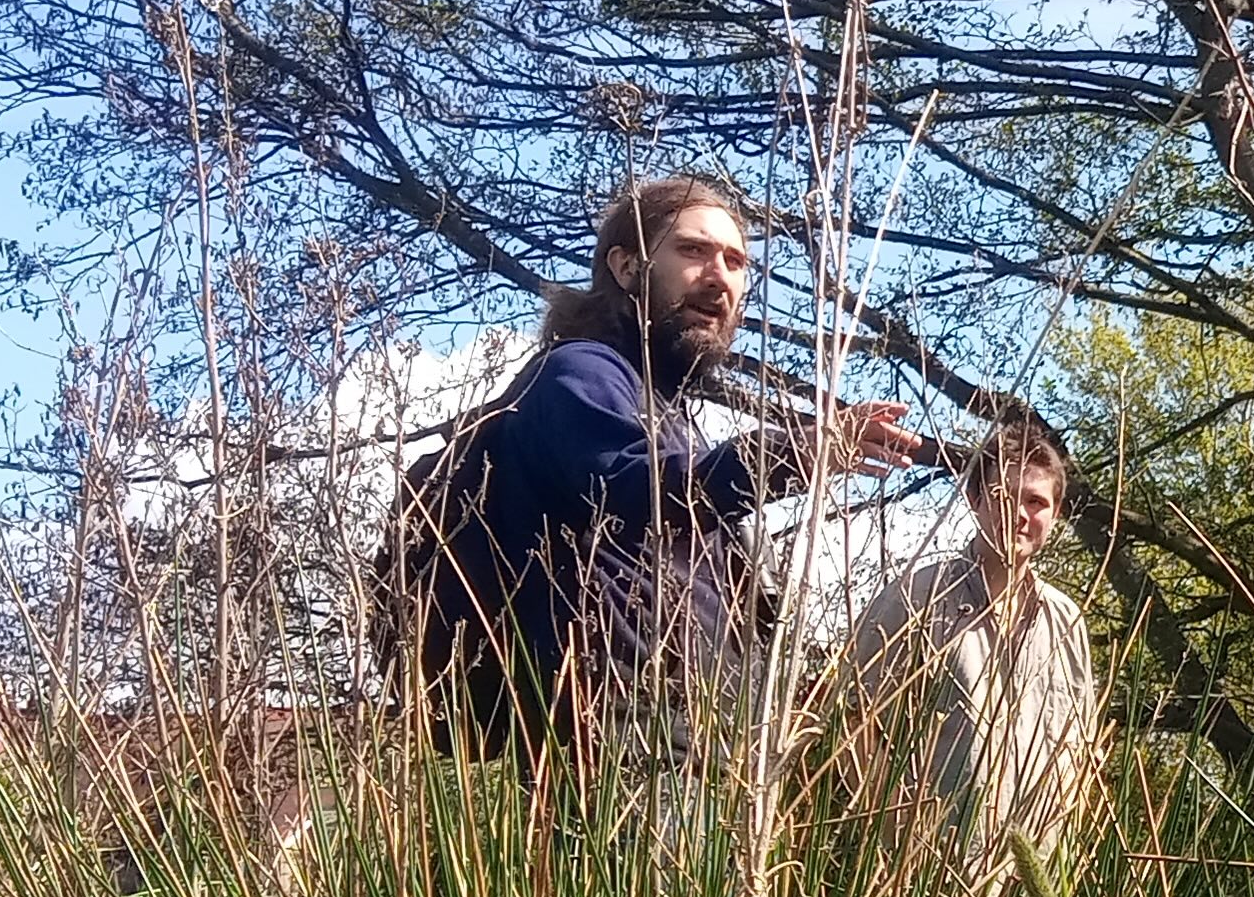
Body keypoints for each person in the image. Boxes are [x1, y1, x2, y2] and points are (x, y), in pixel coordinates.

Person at [397, 172, 930, 755]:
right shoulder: (578, 374)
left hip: (698, 743)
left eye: (735, 261)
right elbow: (637, 487)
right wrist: (797, 450)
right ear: (626, 268)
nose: (719, 276)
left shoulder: (667, 411)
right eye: (693, 250)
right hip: (621, 745)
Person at [839, 417, 1108, 872]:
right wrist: (905, 836)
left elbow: (1079, 751)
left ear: (1055, 513)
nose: (1021, 515)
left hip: (1032, 893)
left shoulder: (1067, 622)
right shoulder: (915, 598)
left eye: (1036, 501)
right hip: (924, 887)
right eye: (1005, 497)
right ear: (974, 499)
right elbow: (851, 724)